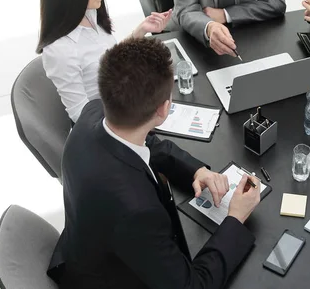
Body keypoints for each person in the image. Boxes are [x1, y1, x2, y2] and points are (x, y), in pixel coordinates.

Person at [47, 37, 261, 288]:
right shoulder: (137, 211)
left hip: (89, 250)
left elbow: (149, 143)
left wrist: (197, 170)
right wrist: (235, 218)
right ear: (164, 110)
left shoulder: (91, 114)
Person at [37, 0, 172, 123]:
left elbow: (109, 57)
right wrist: (137, 123)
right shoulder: (60, 50)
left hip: (126, 103)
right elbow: (81, 116)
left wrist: (141, 30)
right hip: (110, 124)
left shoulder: (89, 13)